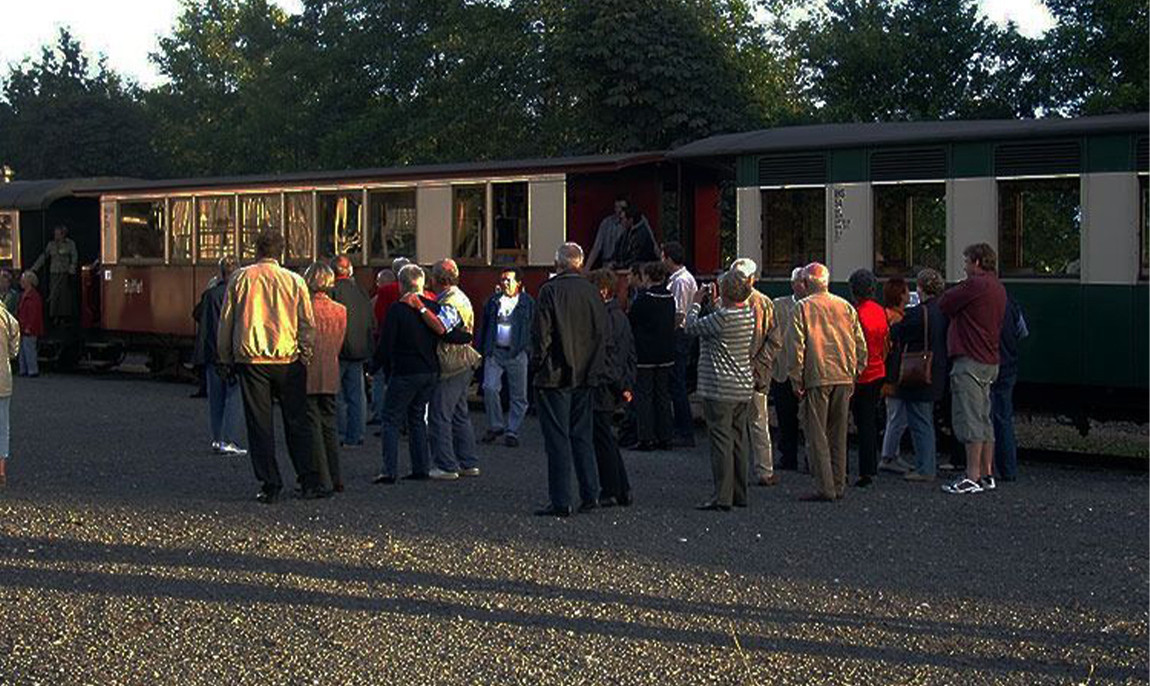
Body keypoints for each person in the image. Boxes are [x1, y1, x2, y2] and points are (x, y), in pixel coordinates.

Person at [217, 230, 322, 503]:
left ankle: (270, 483)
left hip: (251, 359)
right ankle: (308, 479)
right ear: (282, 252)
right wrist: (305, 353)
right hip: (288, 359)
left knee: (260, 424)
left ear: (256, 251)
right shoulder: (295, 281)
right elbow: (307, 322)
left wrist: (225, 357)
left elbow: (226, 321)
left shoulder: (240, 278)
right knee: (297, 421)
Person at [371, 265, 471, 483]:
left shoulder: (397, 310)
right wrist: (468, 338)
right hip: (430, 370)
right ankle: (420, 468)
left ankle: (389, 470)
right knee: (417, 418)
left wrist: (372, 368)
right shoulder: (433, 307)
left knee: (390, 418)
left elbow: (386, 345)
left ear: (401, 285)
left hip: (405, 370)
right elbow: (450, 334)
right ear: (422, 283)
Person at [532, 243, 607, 517]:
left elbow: (542, 336)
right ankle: (591, 493)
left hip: (555, 375)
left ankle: (561, 499)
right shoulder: (593, 292)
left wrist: (536, 365)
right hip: (585, 374)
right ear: (580, 261)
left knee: (557, 439)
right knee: (582, 435)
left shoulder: (549, 291)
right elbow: (602, 333)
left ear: (558, 263)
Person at [788, 263, 867, 502]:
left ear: (807, 283)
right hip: (843, 374)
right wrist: (855, 371)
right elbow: (859, 343)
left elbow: (796, 348)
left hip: (817, 375)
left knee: (817, 433)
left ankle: (825, 487)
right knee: (838, 433)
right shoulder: (845, 306)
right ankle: (839, 483)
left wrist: (796, 378)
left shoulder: (802, 307)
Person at [937, 243, 1007, 495]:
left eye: (967, 261)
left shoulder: (975, 285)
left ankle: (972, 476)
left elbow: (945, 303)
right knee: (984, 419)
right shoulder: (998, 286)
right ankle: (987, 473)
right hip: (990, 359)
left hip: (970, 359)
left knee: (969, 420)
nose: (965, 266)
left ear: (977, 262)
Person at [686, 270, 757, 511]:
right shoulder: (749, 314)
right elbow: (722, 316)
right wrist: (716, 302)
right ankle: (739, 492)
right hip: (742, 386)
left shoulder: (722, 319)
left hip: (719, 387)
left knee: (720, 442)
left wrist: (695, 303)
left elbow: (690, 327)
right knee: (739, 440)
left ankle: (722, 496)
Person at [890, 269, 949, 482]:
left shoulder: (918, 313)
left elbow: (897, 332)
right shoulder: (943, 310)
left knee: (920, 422)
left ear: (921, 288)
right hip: (938, 370)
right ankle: (927, 464)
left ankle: (925, 468)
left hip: (919, 373)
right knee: (926, 420)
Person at [427, 259, 481, 480]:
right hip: (465, 360)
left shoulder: (450, 301)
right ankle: (468, 461)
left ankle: (446, 465)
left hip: (451, 362)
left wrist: (421, 309)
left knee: (440, 413)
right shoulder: (460, 297)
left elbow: (442, 328)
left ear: (438, 278)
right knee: (460, 414)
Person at [731, 258, 782, 487]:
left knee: (732, 423)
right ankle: (764, 470)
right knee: (758, 421)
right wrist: (760, 363)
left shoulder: (725, 301)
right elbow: (774, 340)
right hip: (755, 373)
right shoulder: (765, 303)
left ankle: (733, 469)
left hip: (731, 371)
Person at [588, 268, 635, 507]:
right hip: (615, 382)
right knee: (607, 438)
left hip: (604, 385)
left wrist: (618, 385)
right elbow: (628, 354)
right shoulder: (620, 316)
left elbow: (608, 358)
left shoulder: (605, 318)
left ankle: (612, 488)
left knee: (603, 439)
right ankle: (621, 487)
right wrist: (626, 384)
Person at [479, 267, 535, 447]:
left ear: (519, 283)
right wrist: (481, 349)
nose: (505, 283)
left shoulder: (527, 302)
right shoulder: (493, 301)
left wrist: (529, 348)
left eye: (509, 280)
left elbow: (534, 326)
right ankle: (496, 425)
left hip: (517, 352)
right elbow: (485, 325)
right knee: (489, 388)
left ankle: (512, 430)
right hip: (495, 350)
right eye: (503, 279)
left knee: (519, 395)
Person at [304, 262, 347, 493]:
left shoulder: (302, 309)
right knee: (330, 425)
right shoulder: (341, 310)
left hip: (308, 371)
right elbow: (338, 344)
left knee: (312, 426)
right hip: (330, 370)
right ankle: (336, 475)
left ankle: (321, 479)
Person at [197, 257, 247, 457]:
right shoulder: (241, 296)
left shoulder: (211, 294)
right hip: (232, 354)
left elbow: (198, 315)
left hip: (212, 353)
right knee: (234, 398)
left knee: (215, 399)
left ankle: (217, 438)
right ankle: (230, 439)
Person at [627, 261, 675, 450]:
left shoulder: (644, 298)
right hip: (665, 352)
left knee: (644, 395)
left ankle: (646, 436)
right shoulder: (669, 297)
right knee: (662, 394)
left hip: (645, 352)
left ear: (647, 276)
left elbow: (633, 320)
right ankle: (665, 435)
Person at [848, 269, 889, 488]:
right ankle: (869, 467)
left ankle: (864, 471)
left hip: (861, 374)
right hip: (878, 369)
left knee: (861, 422)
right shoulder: (879, 311)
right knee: (869, 422)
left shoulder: (856, 314)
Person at [330, 255, 374, 448]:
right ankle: (357, 434)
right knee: (357, 395)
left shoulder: (333, 292)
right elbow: (370, 320)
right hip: (359, 347)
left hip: (338, 348)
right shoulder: (361, 291)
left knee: (338, 395)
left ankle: (342, 433)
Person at [770, 267, 806, 471]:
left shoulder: (814, 306)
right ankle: (788, 456)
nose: (804, 285)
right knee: (785, 416)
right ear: (793, 284)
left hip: (807, 370)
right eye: (800, 281)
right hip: (783, 368)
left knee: (811, 419)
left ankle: (811, 458)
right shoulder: (778, 305)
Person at [663, 242, 698, 447]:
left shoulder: (681, 282)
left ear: (668, 258)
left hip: (679, 334)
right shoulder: (681, 279)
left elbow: (678, 313)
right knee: (676, 382)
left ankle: (684, 429)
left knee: (677, 382)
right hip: (681, 333)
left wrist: (668, 332)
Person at [993, 295, 1028, 481]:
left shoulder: (981, 303)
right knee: (1004, 418)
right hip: (1009, 365)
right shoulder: (1011, 303)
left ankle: (985, 470)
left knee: (985, 418)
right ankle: (1008, 468)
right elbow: (1022, 332)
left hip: (990, 364)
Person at [879, 277, 911, 474]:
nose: (909, 295)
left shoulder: (887, 315)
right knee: (897, 416)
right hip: (894, 375)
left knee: (895, 415)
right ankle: (889, 456)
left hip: (888, 374)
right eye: (907, 291)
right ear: (900, 295)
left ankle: (891, 454)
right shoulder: (896, 319)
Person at [28, 224, 78, 329]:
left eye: (58, 234)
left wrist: (72, 268)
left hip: (65, 273)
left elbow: (74, 256)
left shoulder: (70, 244)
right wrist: (34, 268)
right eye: (55, 234)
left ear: (63, 234)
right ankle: (54, 316)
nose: (56, 236)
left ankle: (64, 316)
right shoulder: (51, 245)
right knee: (54, 294)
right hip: (54, 272)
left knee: (64, 295)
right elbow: (44, 257)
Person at [367, 267, 396, 427]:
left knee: (378, 379)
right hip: (396, 346)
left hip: (379, 344)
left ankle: (378, 412)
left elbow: (373, 324)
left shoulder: (376, 300)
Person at [0, 300, 20, 487]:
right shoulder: (6, 317)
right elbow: (14, 348)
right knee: (2, 427)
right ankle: (1, 469)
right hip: (3, 379)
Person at [586, 198, 627, 270]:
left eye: (622, 208)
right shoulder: (606, 223)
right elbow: (596, 247)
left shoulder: (631, 223)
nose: (619, 210)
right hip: (607, 265)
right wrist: (587, 268)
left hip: (624, 266)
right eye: (617, 207)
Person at [16, 272, 43, 378]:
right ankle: (24, 369)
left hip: (29, 327)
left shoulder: (32, 296)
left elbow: (34, 313)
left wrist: (29, 326)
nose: (21, 282)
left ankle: (32, 370)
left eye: (24, 280)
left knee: (29, 348)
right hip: (23, 325)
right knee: (23, 349)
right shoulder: (26, 295)